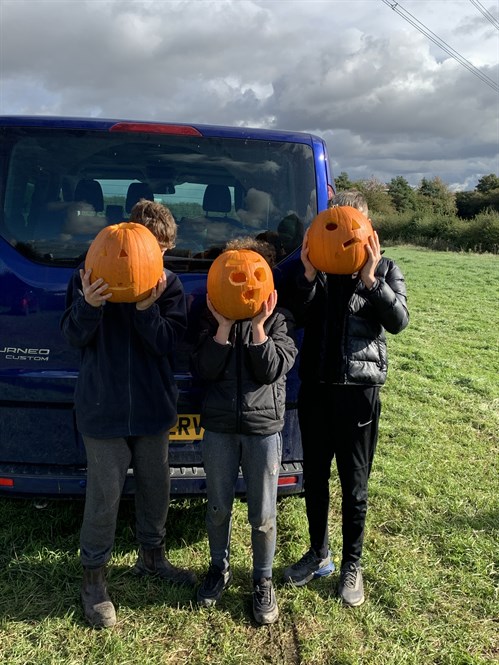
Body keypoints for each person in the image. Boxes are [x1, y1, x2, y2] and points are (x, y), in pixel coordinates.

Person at [61, 199, 196, 629]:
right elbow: (73, 336)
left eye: (163, 251)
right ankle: (94, 579)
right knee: (104, 496)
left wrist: (146, 310)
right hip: (103, 408)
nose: (153, 258)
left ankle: (152, 556)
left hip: (153, 406)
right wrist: (89, 305)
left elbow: (167, 343)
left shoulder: (168, 285)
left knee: (157, 488)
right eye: (149, 247)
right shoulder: (88, 278)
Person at [282, 190, 409, 607]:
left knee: (355, 484)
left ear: (368, 231)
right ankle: (319, 553)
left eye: (352, 227)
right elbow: (295, 316)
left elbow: (398, 321)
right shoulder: (317, 270)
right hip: (317, 390)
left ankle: (352, 564)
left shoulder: (387, 269)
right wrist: (305, 273)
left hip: (359, 394)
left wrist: (372, 282)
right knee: (315, 479)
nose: (342, 237)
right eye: (333, 226)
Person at [191, 238, 297, 625]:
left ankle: (262, 578)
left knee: (263, 512)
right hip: (219, 427)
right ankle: (218, 567)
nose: (244, 286)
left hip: (262, 430)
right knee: (218, 506)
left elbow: (271, 370)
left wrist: (258, 329)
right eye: (233, 278)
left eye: (254, 277)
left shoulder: (280, 321)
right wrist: (221, 328)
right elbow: (204, 369)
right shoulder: (206, 319)